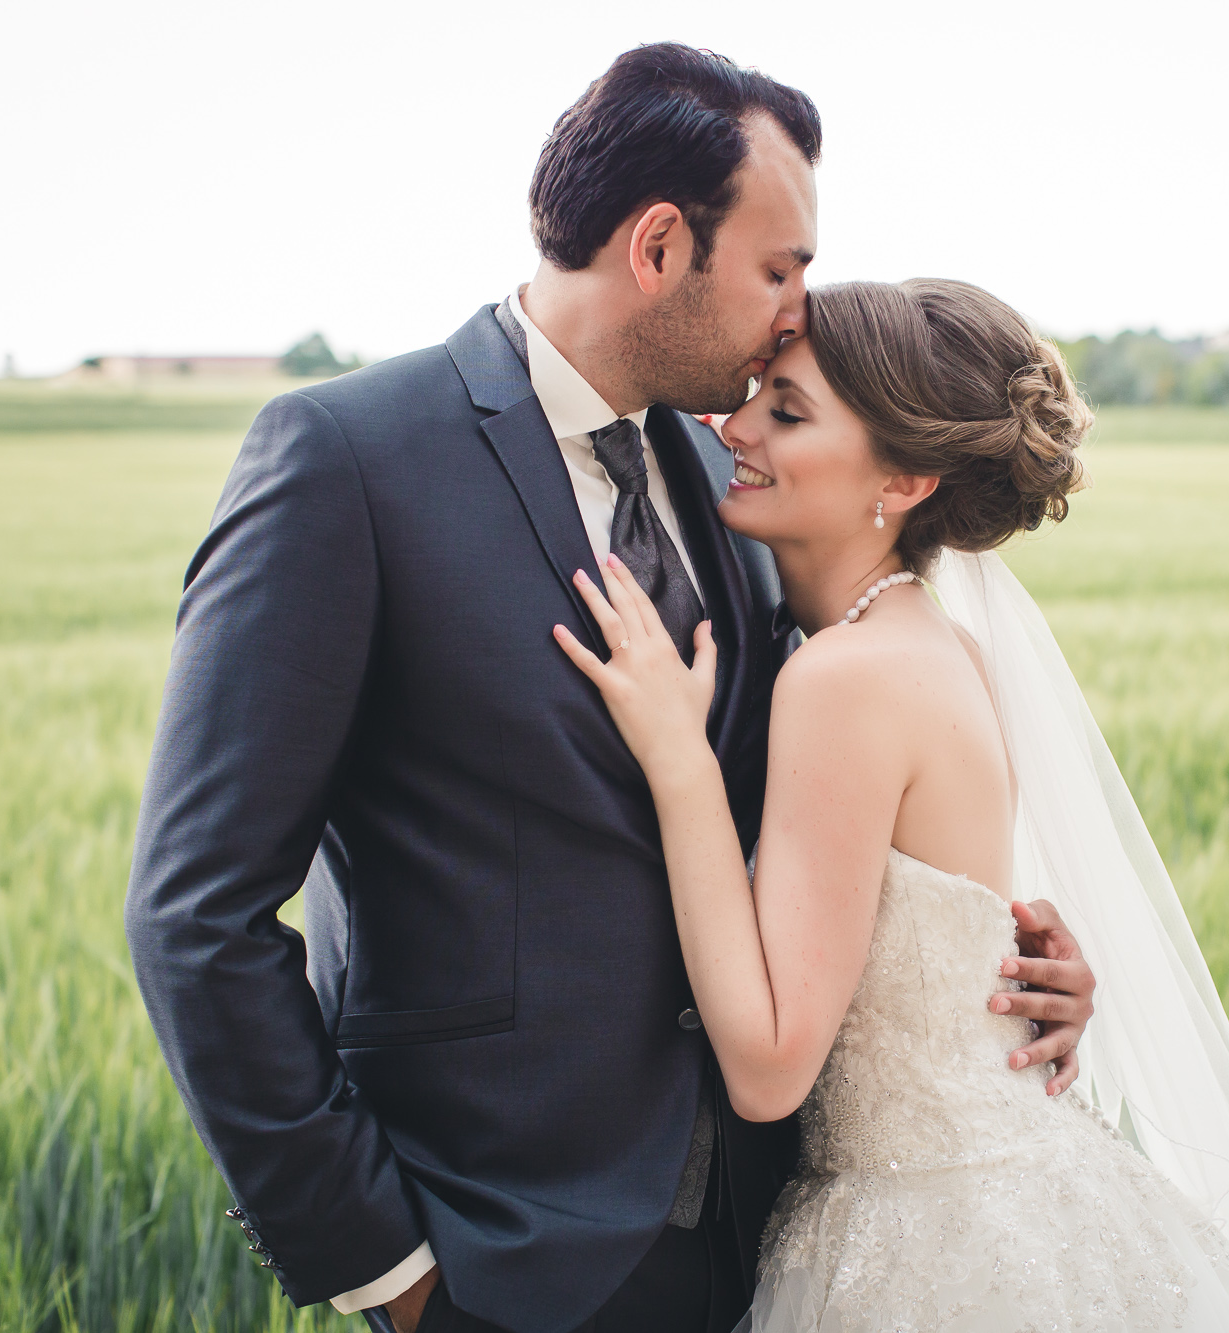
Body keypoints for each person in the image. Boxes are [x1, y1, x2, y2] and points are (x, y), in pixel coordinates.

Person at [122, 44, 1099, 1333]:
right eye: (777, 270)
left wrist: (991, 978)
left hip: (788, 1232)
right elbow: (196, 913)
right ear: (656, 249)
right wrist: (387, 1270)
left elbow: (833, 806)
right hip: (501, 1251)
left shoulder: (747, 477)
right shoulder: (347, 463)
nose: (792, 316)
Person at [554, 278, 1229, 1331]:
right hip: (1013, 1192)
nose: (732, 423)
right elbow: (934, 938)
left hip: (921, 1241)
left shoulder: (845, 677)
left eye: (786, 411)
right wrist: (1038, 979)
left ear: (902, 478)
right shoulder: (938, 646)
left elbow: (765, 1067)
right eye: (756, 390)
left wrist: (678, 761)